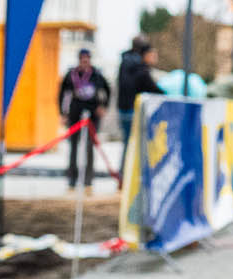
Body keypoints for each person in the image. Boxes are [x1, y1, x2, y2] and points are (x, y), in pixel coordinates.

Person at [55, 48, 110, 190]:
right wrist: (63, 113)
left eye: (87, 58)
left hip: (92, 114)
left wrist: (103, 106)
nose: (84, 61)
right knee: (73, 146)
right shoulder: (71, 75)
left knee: (89, 147)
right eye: (82, 58)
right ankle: (72, 180)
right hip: (75, 113)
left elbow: (107, 90)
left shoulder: (96, 75)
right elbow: (62, 94)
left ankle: (88, 181)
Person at [115, 35, 163, 176]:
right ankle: (129, 176)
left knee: (127, 143)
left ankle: (123, 175)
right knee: (135, 145)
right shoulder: (140, 67)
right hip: (133, 110)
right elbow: (152, 88)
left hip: (123, 108)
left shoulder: (125, 62)